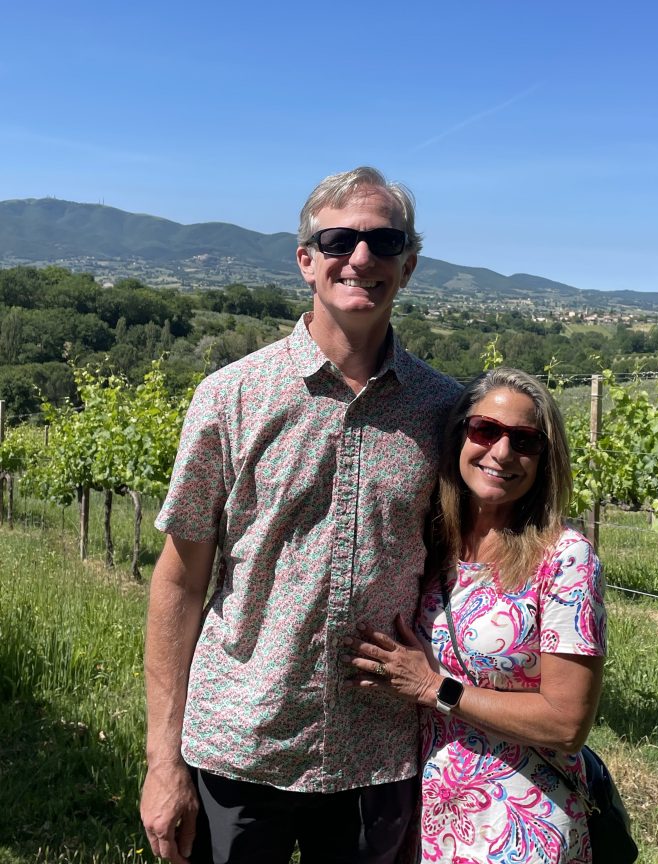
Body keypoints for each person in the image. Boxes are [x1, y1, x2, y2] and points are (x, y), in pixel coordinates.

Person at [140, 166, 461, 864]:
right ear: (306, 261)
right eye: (338, 240)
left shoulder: (444, 411)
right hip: (238, 739)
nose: (361, 257)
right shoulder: (231, 397)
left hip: (375, 751)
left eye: (384, 241)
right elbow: (180, 581)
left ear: (408, 264)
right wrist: (163, 761)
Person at [347, 368, 607, 863]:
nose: (502, 452)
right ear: (459, 437)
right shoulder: (432, 545)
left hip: (521, 828)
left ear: (545, 460)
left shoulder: (564, 559)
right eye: (486, 430)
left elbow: (567, 723)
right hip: (432, 819)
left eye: (525, 441)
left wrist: (434, 687)